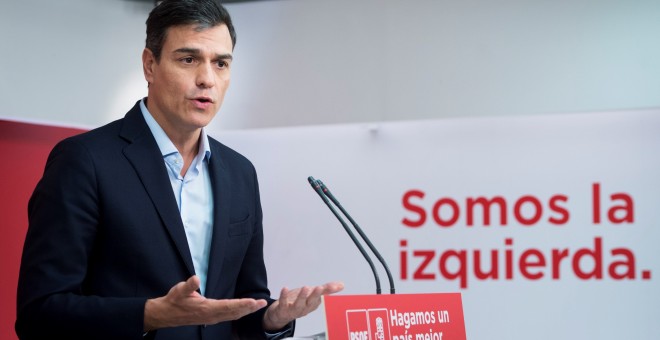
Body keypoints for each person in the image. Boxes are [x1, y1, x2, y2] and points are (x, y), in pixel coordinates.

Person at [15, 0, 343, 339]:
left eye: (220, 64)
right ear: (150, 65)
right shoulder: (84, 161)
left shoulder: (239, 173)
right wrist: (150, 315)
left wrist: (270, 317)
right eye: (188, 60)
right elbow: (40, 313)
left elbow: (240, 303)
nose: (206, 79)